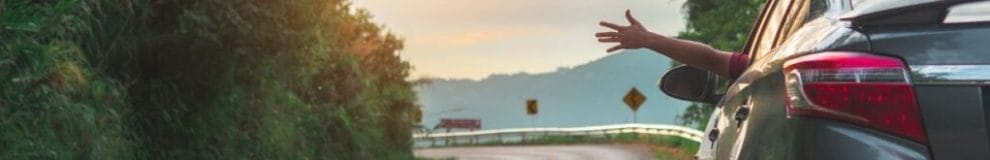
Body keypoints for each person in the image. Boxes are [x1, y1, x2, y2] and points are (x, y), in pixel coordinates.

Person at [596, 10, 749, 80]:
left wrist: (648, 39)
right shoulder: (766, 64)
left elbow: (713, 61)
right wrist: (648, 39)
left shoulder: (764, 66)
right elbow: (713, 61)